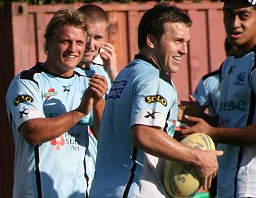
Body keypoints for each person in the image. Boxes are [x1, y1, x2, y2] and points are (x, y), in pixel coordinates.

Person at [89, 3, 223, 197]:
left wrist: (175, 112)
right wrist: (198, 157)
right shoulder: (155, 80)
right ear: (151, 40)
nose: (184, 50)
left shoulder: (127, 74)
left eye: (186, 42)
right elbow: (144, 134)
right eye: (177, 41)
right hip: (135, 191)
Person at [5, 8, 108, 197]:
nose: (73, 49)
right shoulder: (28, 81)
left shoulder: (89, 81)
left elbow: (106, 141)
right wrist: (79, 112)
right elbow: (32, 132)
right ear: (48, 44)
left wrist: (99, 101)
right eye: (65, 42)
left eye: (79, 43)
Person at [179, 0, 256, 197]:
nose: (234, 22)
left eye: (243, 15)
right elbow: (232, 121)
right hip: (225, 184)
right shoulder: (228, 63)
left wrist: (212, 131)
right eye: (229, 14)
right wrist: (199, 118)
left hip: (249, 185)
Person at [76, 4, 118, 192]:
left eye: (98, 37)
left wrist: (114, 72)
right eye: (86, 36)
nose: (90, 45)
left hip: (95, 179)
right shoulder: (57, 72)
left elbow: (114, 127)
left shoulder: (104, 73)